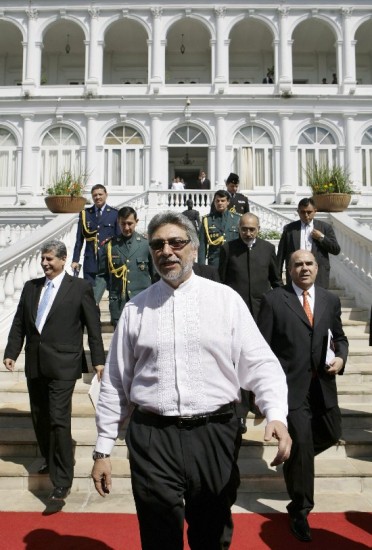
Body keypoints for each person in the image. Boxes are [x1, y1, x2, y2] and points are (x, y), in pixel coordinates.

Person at [91, 211, 291, 550]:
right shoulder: (135, 310)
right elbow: (114, 382)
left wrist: (276, 414)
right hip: (153, 437)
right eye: (157, 244)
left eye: (176, 242)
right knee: (158, 536)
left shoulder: (225, 300)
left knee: (211, 534)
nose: (166, 251)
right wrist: (102, 449)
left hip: (214, 433)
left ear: (194, 250)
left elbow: (259, 363)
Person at [3, 240, 105, 501]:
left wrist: (98, 360)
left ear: (63, 259)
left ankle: (62, 480)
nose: (45, 263)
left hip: (64, 363)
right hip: (36, 363)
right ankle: (50, 459)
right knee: (40, 416)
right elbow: (18, 323)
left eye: (49, 259)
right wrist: (11, 352)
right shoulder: (30, 287)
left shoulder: (80, 288)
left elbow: (93, 327)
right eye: (43, 259)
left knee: (59, 418)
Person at [258, 250, 348, 542]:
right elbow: (262, 347)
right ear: (288, 269)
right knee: (303, 444)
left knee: (332, 433)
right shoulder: (274, 300)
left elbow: (340, 337)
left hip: (322, 385)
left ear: (317, 268)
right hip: (290, 389)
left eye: (309, 263)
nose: (304, 268)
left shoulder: (329, 300)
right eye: (298, 264)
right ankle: (300, 510)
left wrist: (341, 359)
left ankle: (297, 456)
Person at [219, 213, 283, 432]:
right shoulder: (228, 249)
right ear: (239, 228)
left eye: (252, 229)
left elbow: (276, 280)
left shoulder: (267, 249)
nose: (248, 233)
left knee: (259, 359)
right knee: (237, 362)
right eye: (244, 229)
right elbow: (221, 282)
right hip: (234, 315)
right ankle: (240, 412)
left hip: (262, 314)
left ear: (259, 229)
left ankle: (260, 404)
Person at [99, 206, 154, 327]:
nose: (126, 227)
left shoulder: (146, 245)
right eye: (123, 224)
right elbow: (102, 275)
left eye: (130, 223)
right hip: (119, 303)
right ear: (118, 222)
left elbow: (155, 275)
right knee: (120, 341)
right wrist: (94, 299)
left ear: (136, 222)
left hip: (142, 301)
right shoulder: (110, 246)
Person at [277, 197, 341, 288]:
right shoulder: (289, 229)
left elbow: (336, 250)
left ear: (315, 211)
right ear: (298, 211)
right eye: (302, 212)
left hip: (319, 276)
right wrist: (278, 281)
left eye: (309, 212)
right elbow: (280, 256)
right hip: (295, 275)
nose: (306, 215)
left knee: (318, 302)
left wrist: (321, 238)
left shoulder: (325, 227)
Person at [71, 184, 119, 302]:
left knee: (113, 295)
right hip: (90, 261)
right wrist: (75, 260)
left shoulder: (114, 214)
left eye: (100, 194)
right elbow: (79, 240)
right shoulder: (85, 214)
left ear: (106, 195)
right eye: (95, 195)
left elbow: (118, 239)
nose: (97, 197)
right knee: (89, 296)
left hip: (109, 261)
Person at [198, 190, 240, 267]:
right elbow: (202, 246)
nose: (220, 203)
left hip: (233, 261)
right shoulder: (207, 220)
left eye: (223, 200)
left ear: (228, 202)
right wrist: (201, 267)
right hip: (215, 262)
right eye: (217, 201)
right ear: (214, 202)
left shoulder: (237, 219)